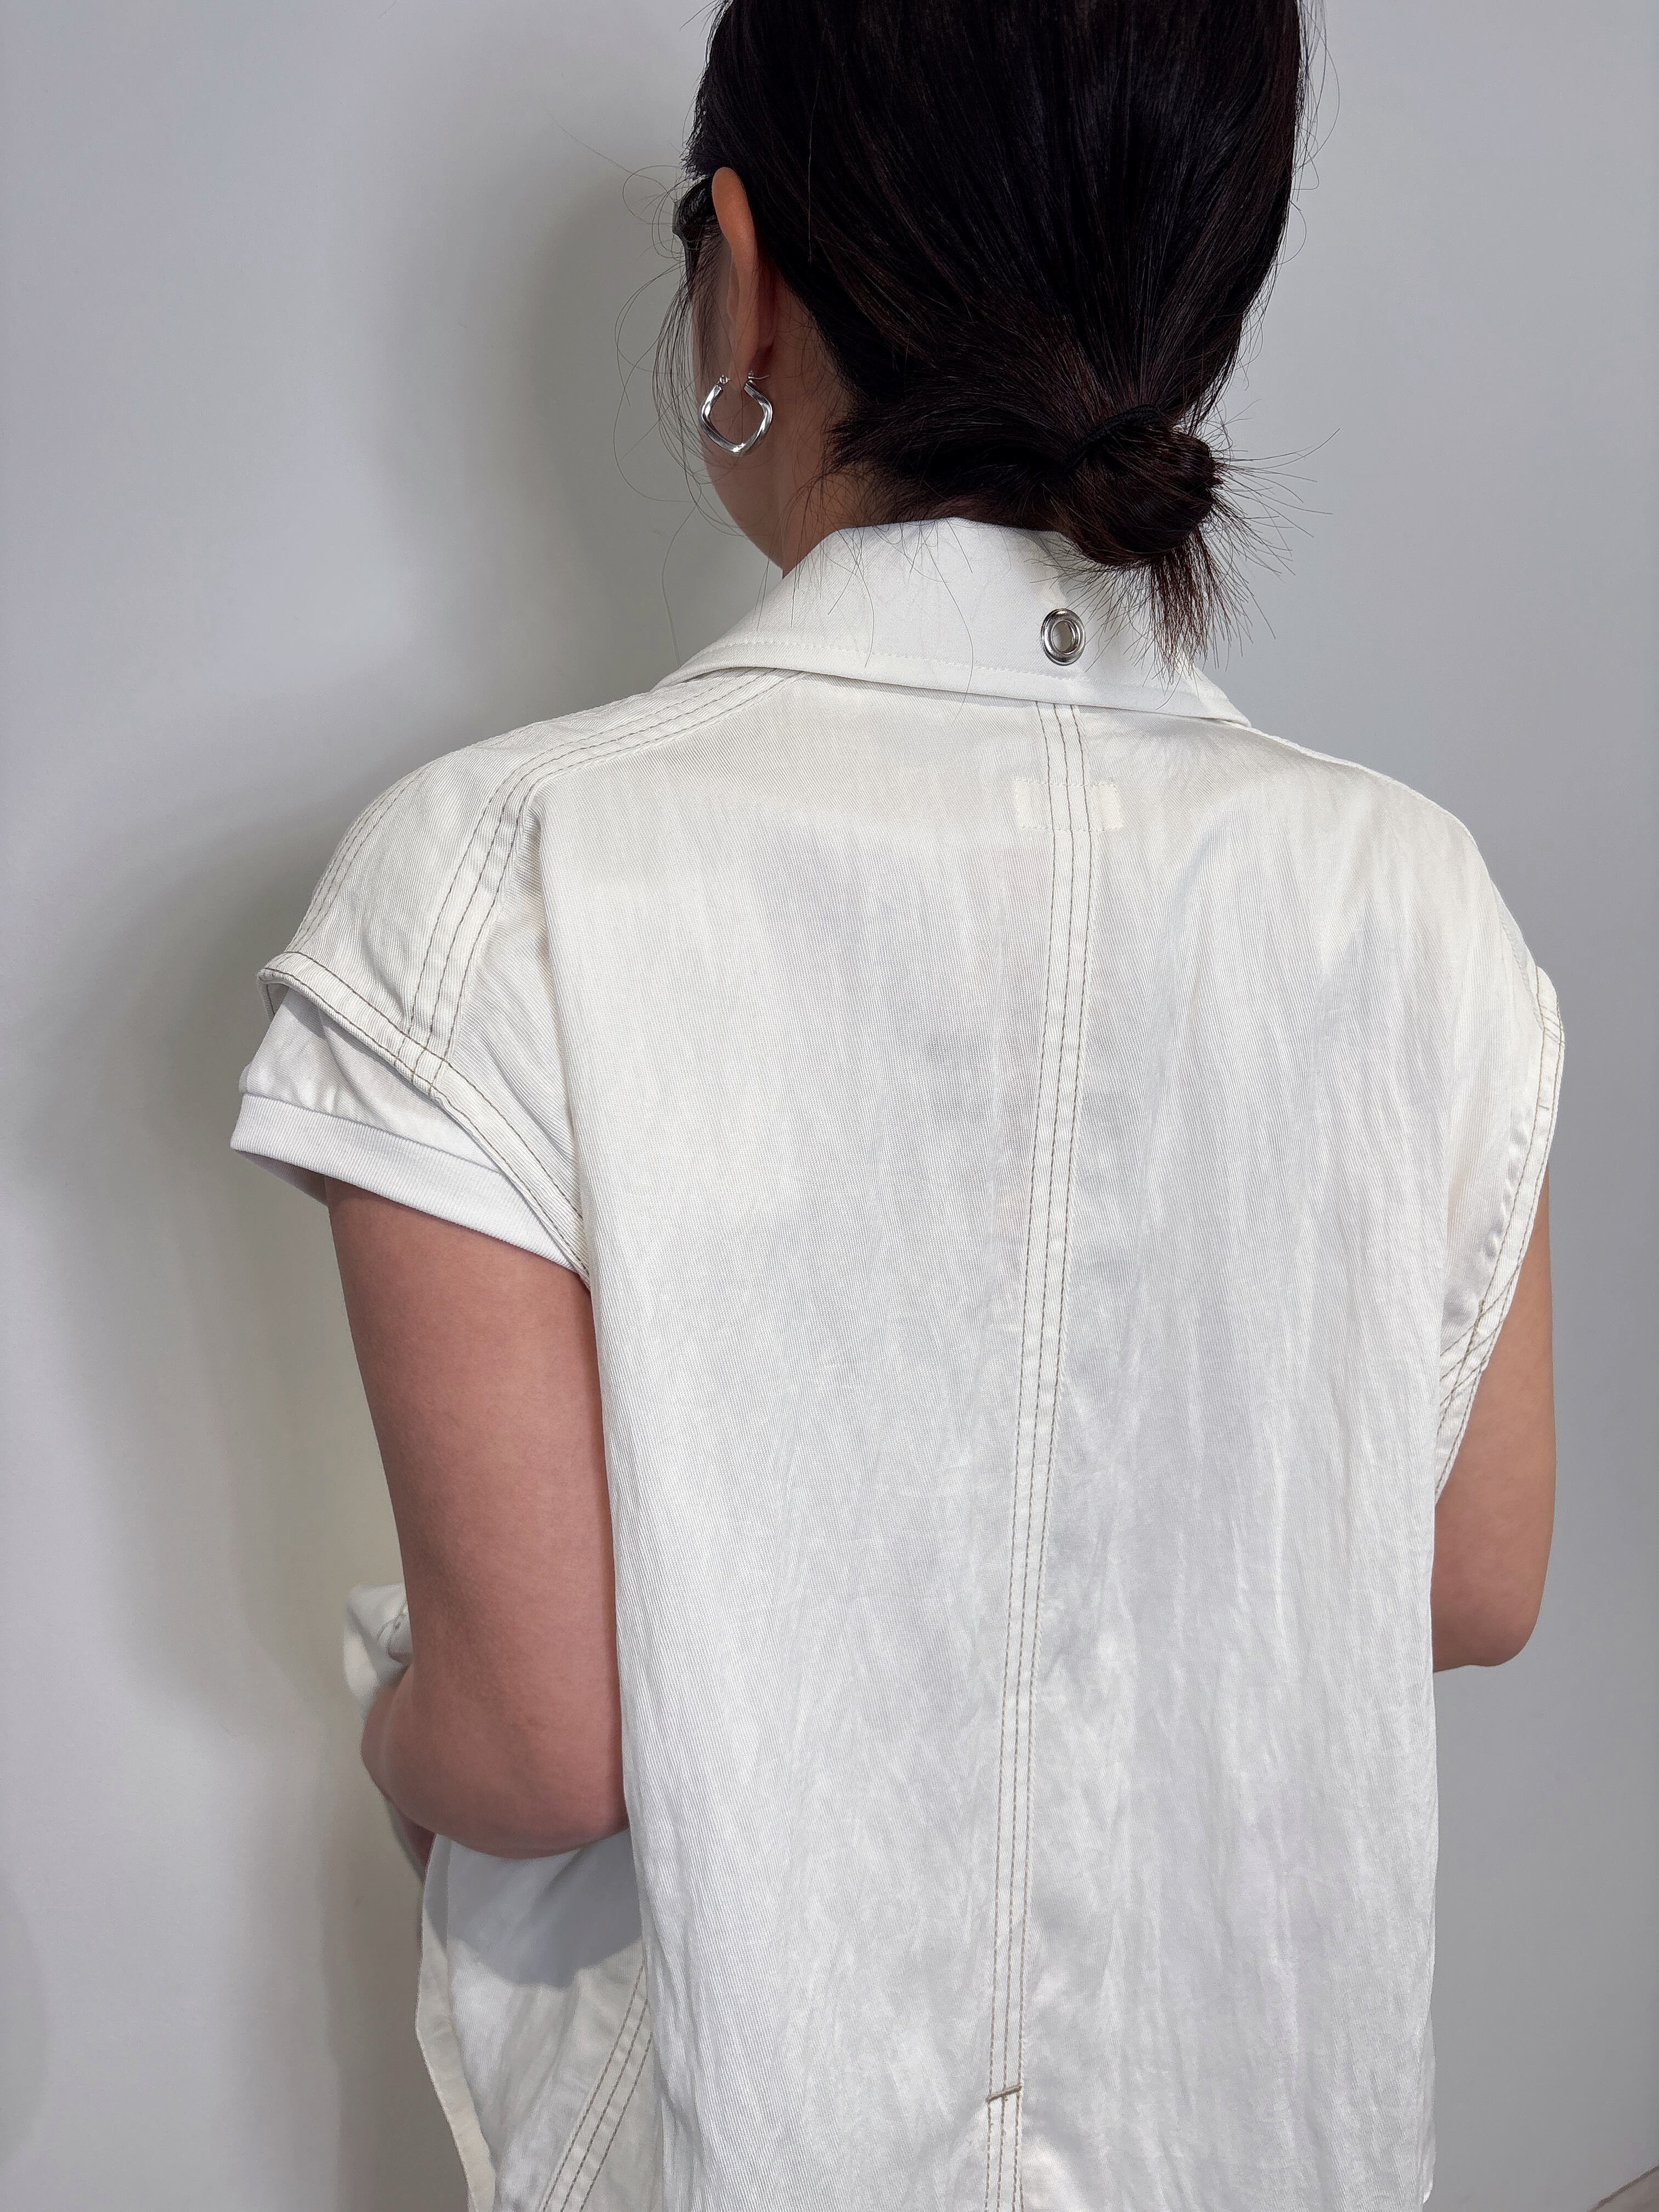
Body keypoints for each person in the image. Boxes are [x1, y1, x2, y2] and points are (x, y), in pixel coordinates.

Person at [231, 0, 1562, 2205]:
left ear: (743, 277)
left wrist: (389, 1716)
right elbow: (1476, 1578)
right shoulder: (1413, 898)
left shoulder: (496, 877)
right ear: (1205, 295)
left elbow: (536, 1746)